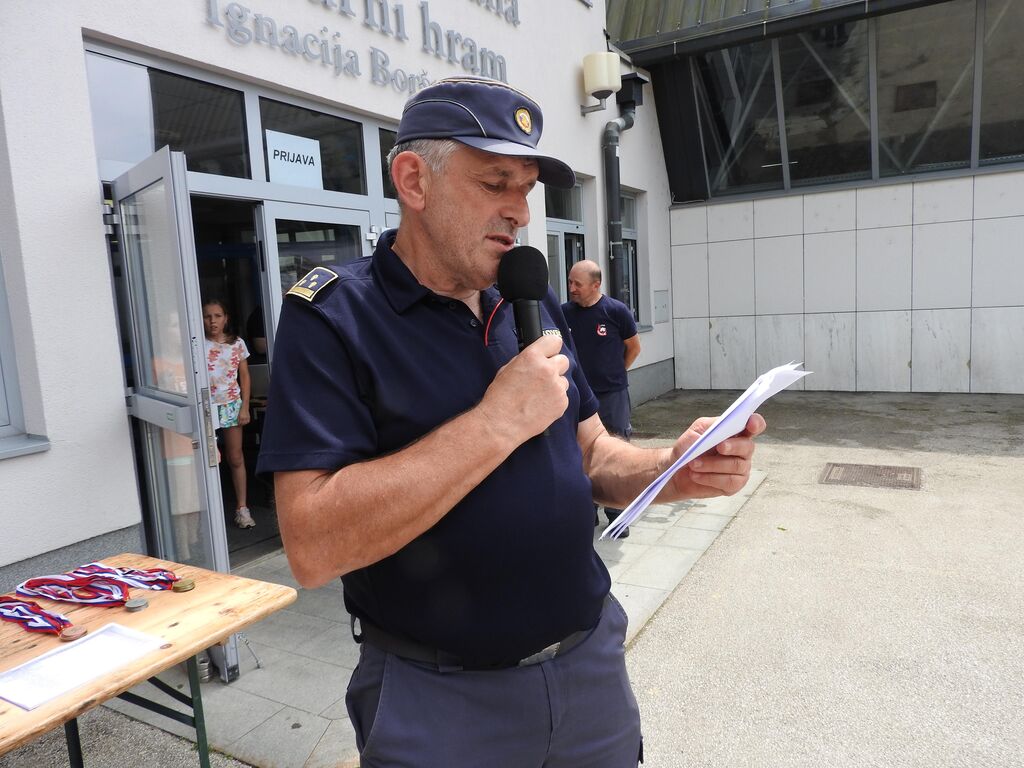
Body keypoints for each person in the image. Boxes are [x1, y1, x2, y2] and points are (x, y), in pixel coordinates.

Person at [257, 76, 765, 768]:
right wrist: (494, 422)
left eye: (525, 189)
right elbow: (312, 545)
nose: (519, 213)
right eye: (496, 183)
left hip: (588, 671)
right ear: (413, 179)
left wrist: (670, 471)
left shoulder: (525, 298)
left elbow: (590, 455)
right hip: (439, 700)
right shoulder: (334, 317)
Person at [562, 260, 641, 537]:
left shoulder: (615, 311)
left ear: (596, 285)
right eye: (570, 282)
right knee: (581, 454)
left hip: (612, 395)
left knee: (617, 452)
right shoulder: (564, 314)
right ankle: (589, 512)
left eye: (577, 284)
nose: (571, 288)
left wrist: (616, 372)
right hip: (579, 397)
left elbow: (633, 347)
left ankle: (618, 516)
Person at [202, 299, 254, 530]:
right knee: (208, 460)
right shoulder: (197, 344)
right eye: (207, 316)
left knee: (235, 457)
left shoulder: (237, 343)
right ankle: (207, 514)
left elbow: (244, 377)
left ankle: (242, 509)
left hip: (231, 404)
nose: (212, 321)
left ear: (226, 318)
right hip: (206, 406)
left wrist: (244, 407)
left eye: (217, 315)